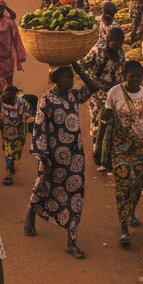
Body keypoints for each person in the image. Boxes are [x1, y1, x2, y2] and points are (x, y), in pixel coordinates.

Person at [24, 61, 98, 258]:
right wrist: (44, 157)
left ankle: (71, 241)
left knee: (75, 195)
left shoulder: (73, 96)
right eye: (66, 75)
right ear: (54, 78)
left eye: (70, 75)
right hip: (52, 156)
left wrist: (79, 69)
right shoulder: (45, 101)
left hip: (75, 156)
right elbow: (39, 130)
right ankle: (31, 213)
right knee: (44, 187)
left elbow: (93, 87)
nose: (70, 79)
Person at [106, 59, 143, 246]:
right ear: (124, 76)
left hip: (141, 147)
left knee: (137, 184)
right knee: (122, 186)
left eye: (139, 76)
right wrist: (100, 149)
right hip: (119, 147)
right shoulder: (114, 93)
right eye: (132, 76)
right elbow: (106, 122)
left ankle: (131, 212)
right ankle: (124, 228)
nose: (136, 79)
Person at [79, 26, 128, 167]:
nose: (119, 46)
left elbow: (122, 71)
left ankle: (108, 153)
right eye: (116, 43)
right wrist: (92, 83)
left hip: (112, 91)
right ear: (109, 40)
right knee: (97, 121)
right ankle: (97, 153)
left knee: (111, 121)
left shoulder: (119, 53)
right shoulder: (97, 51)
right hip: (96, 91)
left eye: (120, 43)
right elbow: (82, 66)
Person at [0, 86, 34, 187]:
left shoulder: (20, 103)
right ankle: (9, 168)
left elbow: (26, 115)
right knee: (8, 149)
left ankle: (9, 168)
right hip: (8, 131)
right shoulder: (2, 102)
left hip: (17, 132)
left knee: (10, 150)